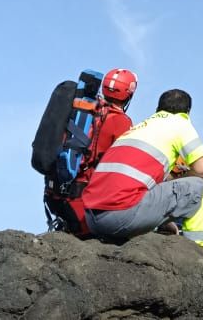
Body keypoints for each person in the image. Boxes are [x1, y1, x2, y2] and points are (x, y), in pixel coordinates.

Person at [82, 88, 203, 248]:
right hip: (120, 216)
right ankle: (198, 252)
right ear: (187, 112)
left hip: (92, 218)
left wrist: (162, 220)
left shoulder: (137, 128)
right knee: (201, 187)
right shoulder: (180, 123)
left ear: (158, 109)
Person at [42, 68, 138, 236]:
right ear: (129, 95)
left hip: (54, 196)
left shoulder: (83, 110)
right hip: (81, 205)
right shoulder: (121, 122)